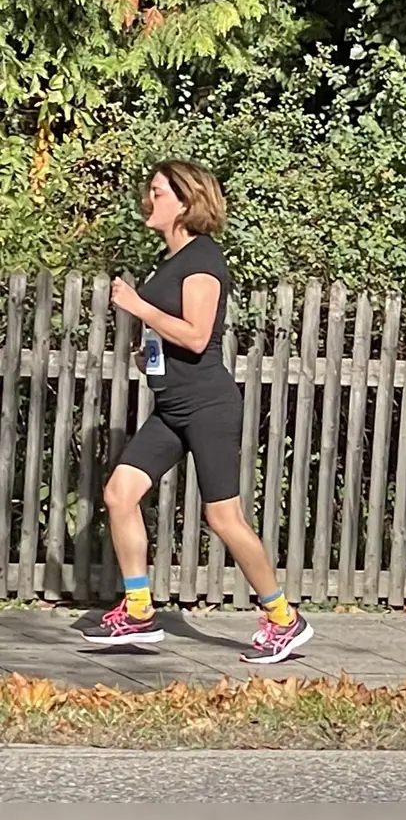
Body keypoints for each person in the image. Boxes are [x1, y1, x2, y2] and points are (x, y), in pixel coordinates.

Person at [80, 159, 313, 664]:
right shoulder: (168, 261)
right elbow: (174, 338)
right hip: (172, 404)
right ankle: (139, 608)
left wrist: (138, 307)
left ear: (186, 204)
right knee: (120, 492)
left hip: (208, 405)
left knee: (223, 517)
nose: (150, 200)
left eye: (159, 193)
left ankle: (283, 618)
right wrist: (149, 355)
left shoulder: (203, 260)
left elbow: (197, 334)